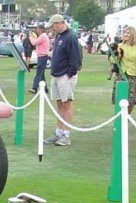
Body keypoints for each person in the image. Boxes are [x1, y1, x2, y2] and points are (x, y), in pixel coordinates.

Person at [46, 14, 82, 147]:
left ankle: (66, 135)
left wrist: (69, 74)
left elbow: (75, 58)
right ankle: (58, 132)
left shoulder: (70, 37)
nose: (53, 29)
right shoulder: (59, 36)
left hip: (65, 76)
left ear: (60, 23)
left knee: (67, 104)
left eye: (54, 25)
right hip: (56, 75)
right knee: (59, 103)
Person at [113, 26, 136, 115]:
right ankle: (119, 118)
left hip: (133, 76)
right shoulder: (120, 45)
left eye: (128, 33)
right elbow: (112, 60)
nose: (125, 34)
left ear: (133, 35)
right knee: (120, 98)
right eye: (125, 32)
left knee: (131, 100)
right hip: (121, 75)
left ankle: (127, 115)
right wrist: (117, 55)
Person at [30, 24, 50, 93]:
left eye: (37, 29)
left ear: (41, 29)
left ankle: (34, 87)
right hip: (42, 56)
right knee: (42, 74)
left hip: (42, 56)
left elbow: (34, 43)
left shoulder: (43, 36)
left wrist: (31, 37)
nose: (36, 30)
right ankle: (45, 89)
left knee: (39, 72)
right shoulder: (43, 36)